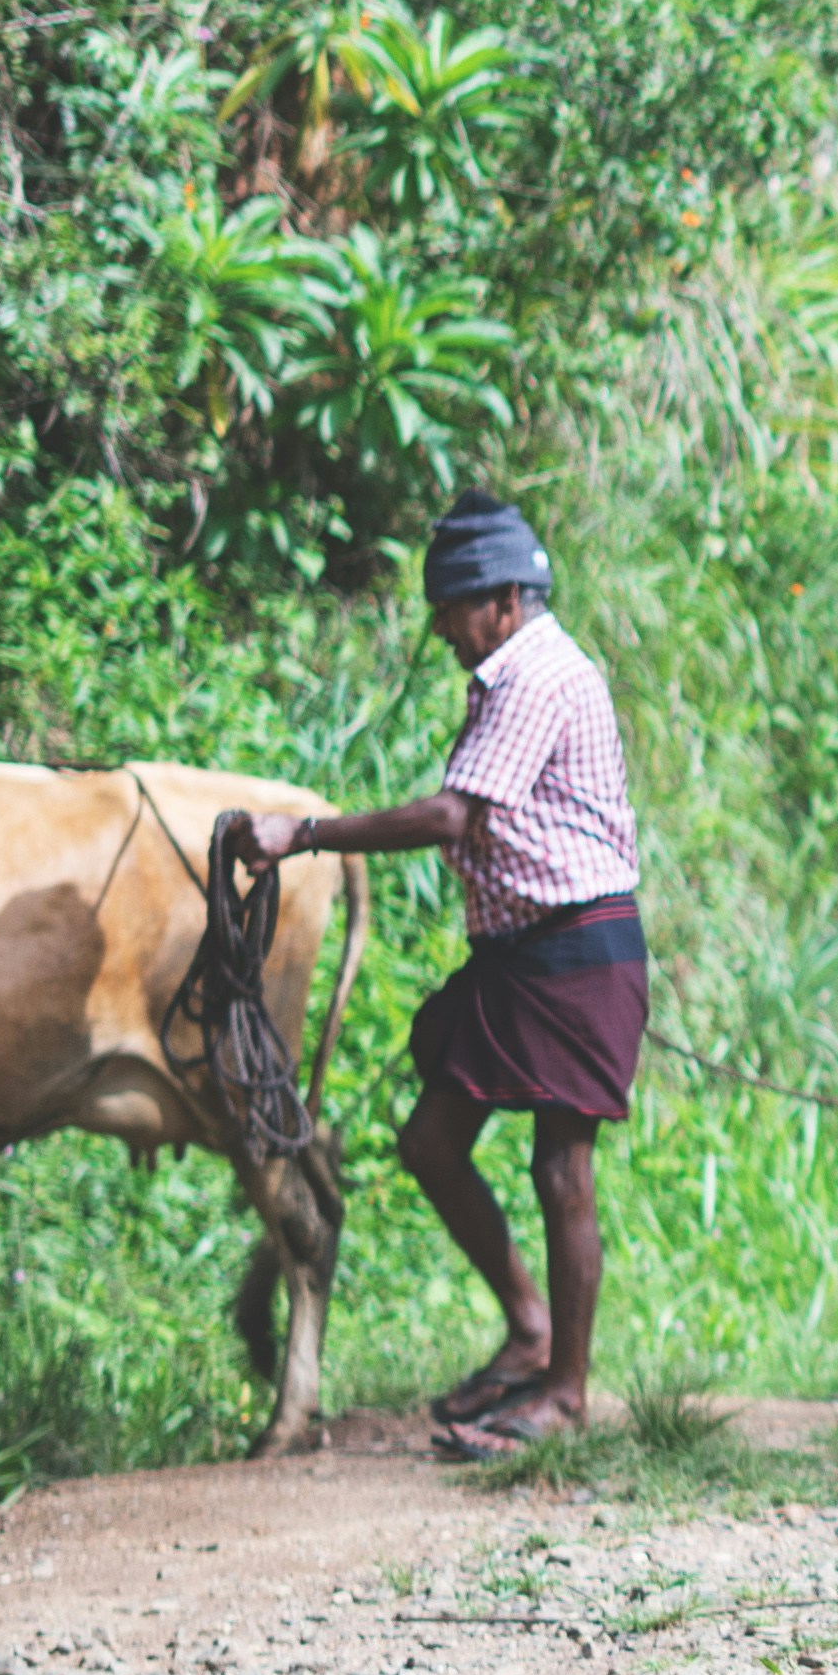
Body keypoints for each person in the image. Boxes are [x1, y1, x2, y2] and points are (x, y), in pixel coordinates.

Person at [232, 498, 641, 1459]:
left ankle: (569, 1397)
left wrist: (306, 835)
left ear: (504, 600)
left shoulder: (535, 674)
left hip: (575, 947)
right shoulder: (507, 672)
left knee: (560, 1172)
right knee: (429, 1140)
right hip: (523, 956)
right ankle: (531, 1332)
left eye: (453, 608)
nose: (443, 629)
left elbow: (453, 819)